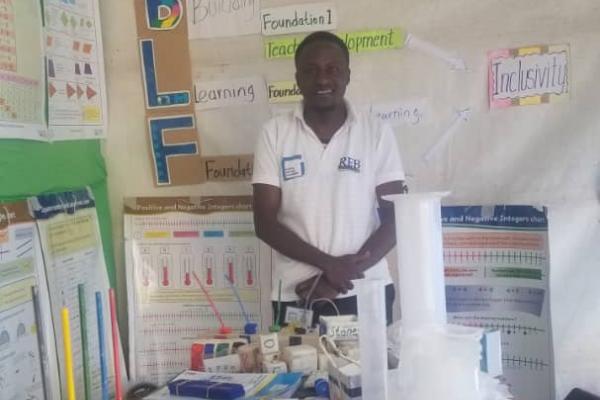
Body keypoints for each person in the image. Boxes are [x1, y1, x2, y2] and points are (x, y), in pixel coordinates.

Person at [251, 31, 406, 327]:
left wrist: (337, 277)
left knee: (370, 374)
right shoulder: (275, 133)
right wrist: (330, 266)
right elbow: (264, 223)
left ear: (347, 75)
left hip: (366, 288)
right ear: (297, 79)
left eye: (332, 69)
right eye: (311, 71)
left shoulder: (375, 133)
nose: (322, 79)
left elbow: (394, 217)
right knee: (300, 373)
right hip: (297, 293)